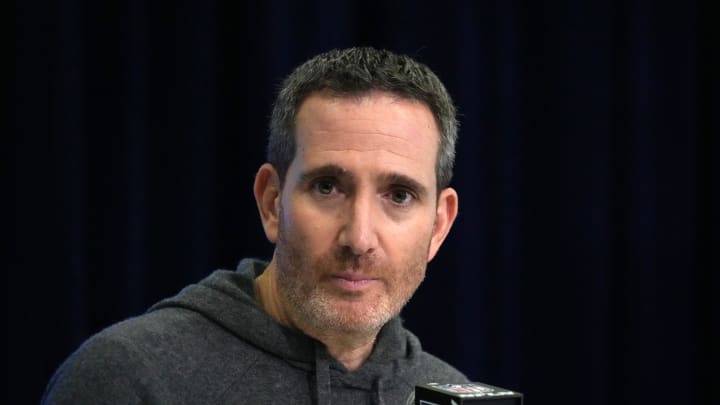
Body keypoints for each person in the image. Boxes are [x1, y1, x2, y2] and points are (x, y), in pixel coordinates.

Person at [42, 46, 465, 404]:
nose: (358, 238)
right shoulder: (127, 379)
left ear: (439, 225)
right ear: (271, 201)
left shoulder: (454, 391)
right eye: (327, 187)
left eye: (399, 196)